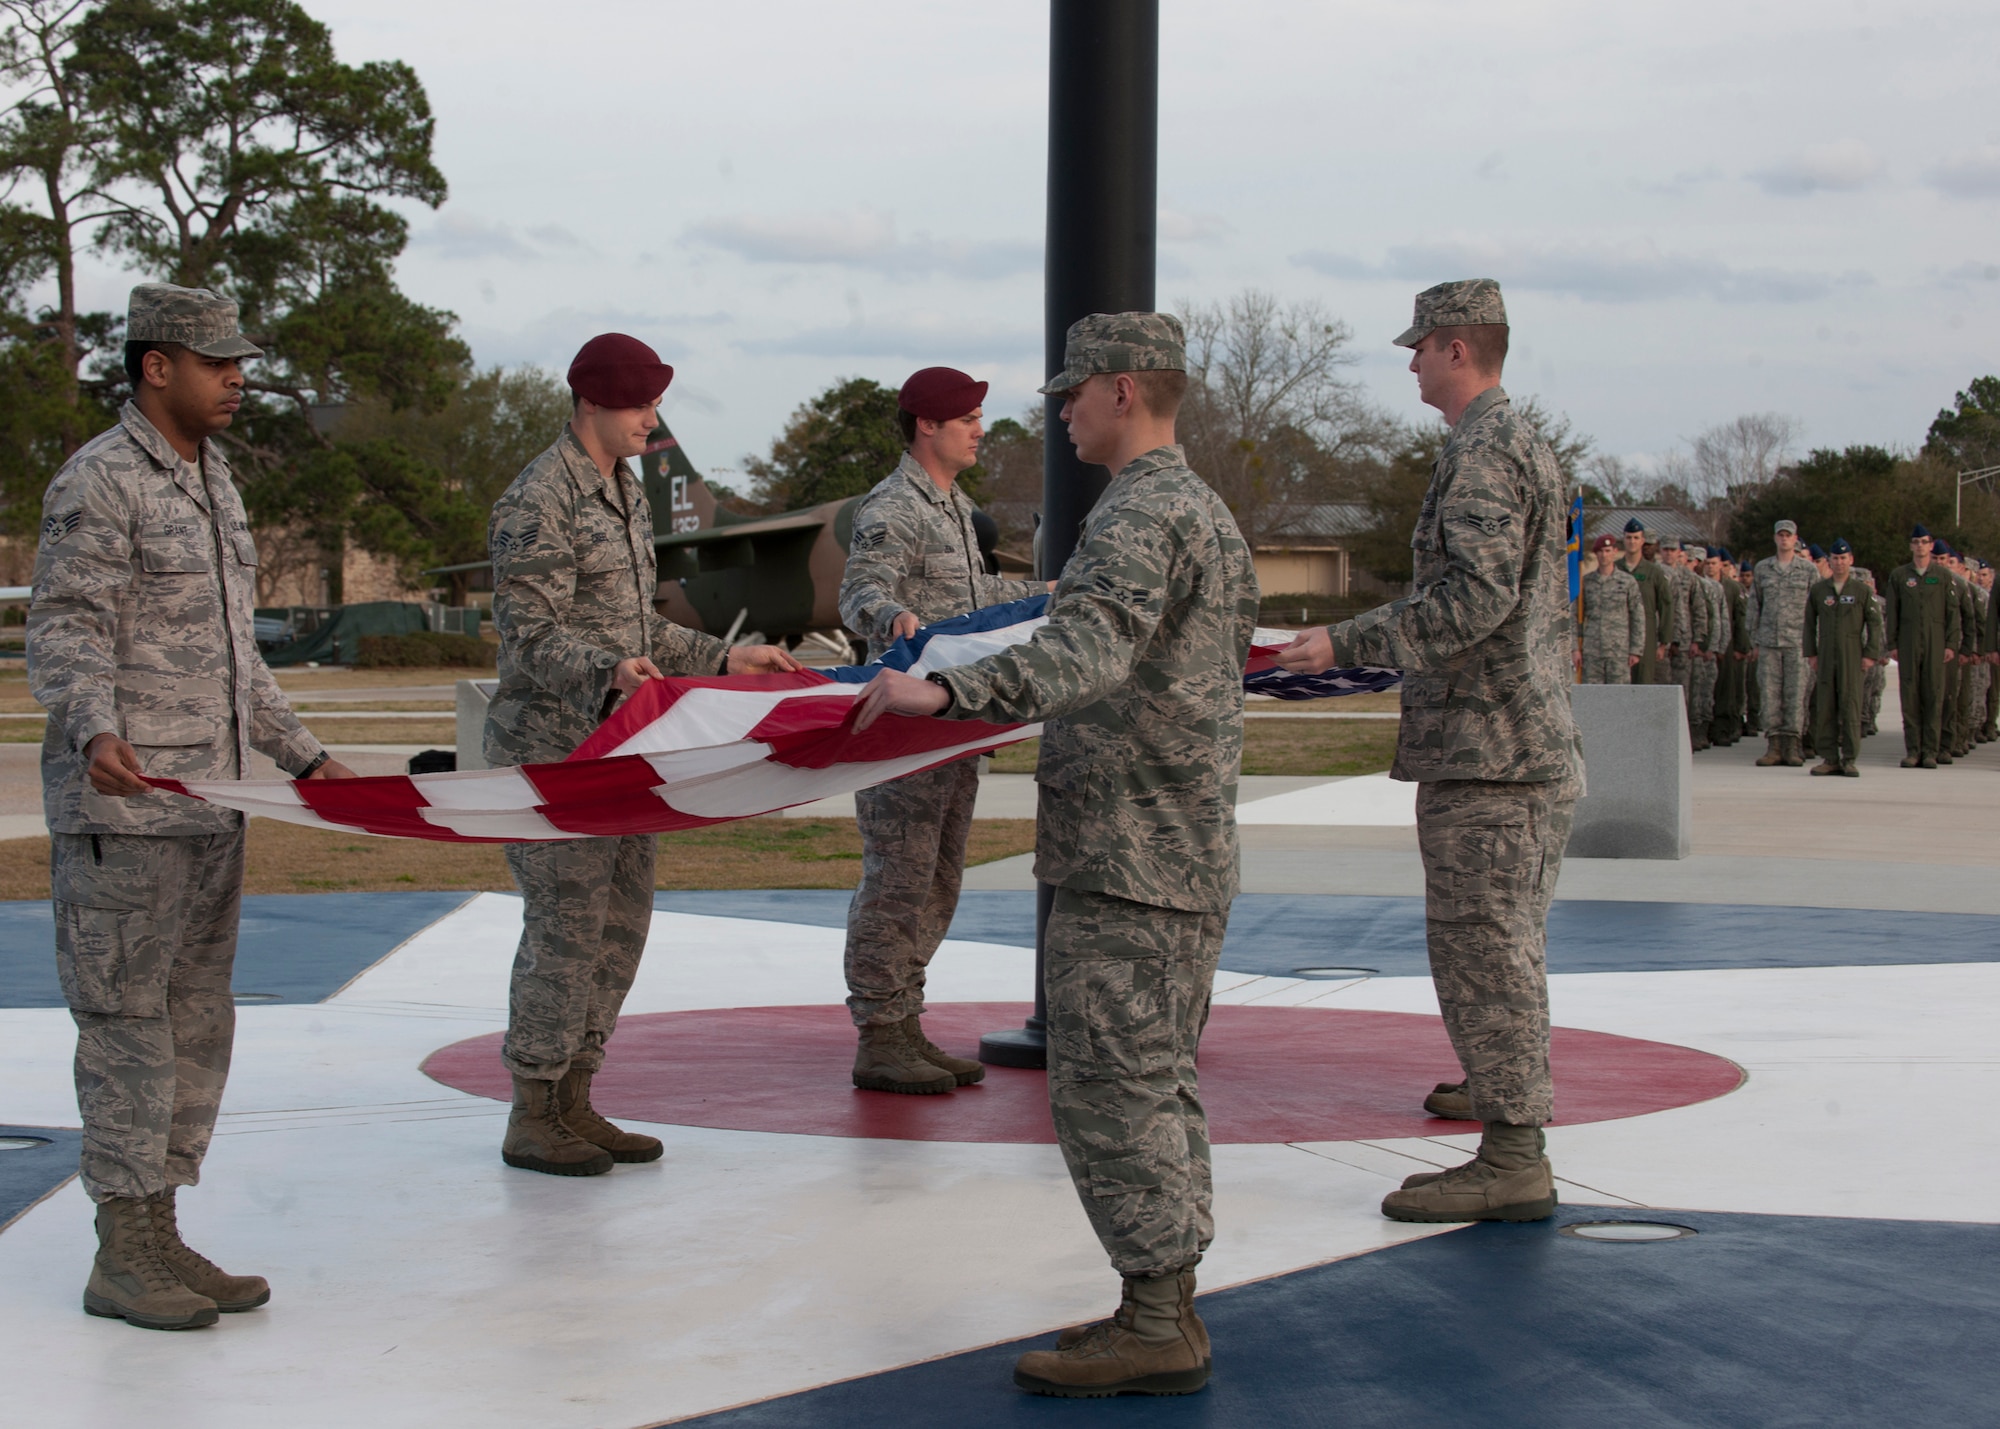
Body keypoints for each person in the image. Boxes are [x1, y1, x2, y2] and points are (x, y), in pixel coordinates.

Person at [853, 311, 1255, 1397]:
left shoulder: (1138, 515)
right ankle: (1158, 1300)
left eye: (1072, 392)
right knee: (1152, 1079)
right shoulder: (1195, 509)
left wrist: (944, 689)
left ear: (1123, 391)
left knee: (1109, 1085)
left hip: (1129, 852)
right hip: (1172, 846)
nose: (1060, 410)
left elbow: (1083, 649)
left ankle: (1158, 1318)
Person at [27, 283, 358, 1331]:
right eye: (216, 362)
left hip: (213, 804)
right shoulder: (100, 482)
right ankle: (121, 1245)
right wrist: (92, 728)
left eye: (240, 362)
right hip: (127, 811)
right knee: (126, 1025)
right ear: (154, 365)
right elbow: (68, 626)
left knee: (193, 1024)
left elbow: (236, 660)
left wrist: (306, 758)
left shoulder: (215, 482)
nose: (238, 379)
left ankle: (161, 1225)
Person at [1273, 279, 1580, 1228]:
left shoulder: (1486, 455)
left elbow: (1474, 600)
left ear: (1457, 347)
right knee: (1502, 940)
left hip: (1491, 750)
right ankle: (1499, 1081)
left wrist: (1345, 641)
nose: (1409, 362)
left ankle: (1514, 1154)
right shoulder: (1517, 441)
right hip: (1510, 739)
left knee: (1484, 945)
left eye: (1419, 347)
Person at [484, 333, 800, 1177]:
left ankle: (576, 1094)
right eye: (639, 405)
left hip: (625, 748)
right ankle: (532, 1107)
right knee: (565, 925)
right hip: (556, 751)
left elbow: (641, 629)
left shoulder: (625, 491)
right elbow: (530, 634)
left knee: (622, 924)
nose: (651, 423)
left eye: (656, 405)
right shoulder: (538, 498)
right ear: (590, 403)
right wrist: (609, 671)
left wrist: (726, 658)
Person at [834, 366, 1044, 1094]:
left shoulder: (953, 505)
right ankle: (880, 1034)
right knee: (898, 880)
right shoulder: (896, 505)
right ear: (928, 424)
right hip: (900, 729)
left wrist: (1045, 593)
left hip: (949, 723)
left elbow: (973, 596)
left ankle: (904, 1020)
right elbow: (860, 586)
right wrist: (886, 616)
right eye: (969, 417)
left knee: (938, 877)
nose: (981, 428)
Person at [1881, 524, 1960, 769]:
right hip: (1908, 642)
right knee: (1910, 696)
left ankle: (1930, 751)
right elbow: (1892, 612)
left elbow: (1952, 613)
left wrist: (1950, 643)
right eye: (1916, 542)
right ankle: (1913, 750)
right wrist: (1892, 643)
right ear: (1911, 546)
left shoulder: (1944, 576)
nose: (1920, 546)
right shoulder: (1900, 576)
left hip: (1936, 643)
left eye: (1924, 542)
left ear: (1930, 544)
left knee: (1934, 696)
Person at [1803, 539, 1882, 777]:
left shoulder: (1862, 591)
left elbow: (1875, 623)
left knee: (1850, 706)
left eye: (1843, 558)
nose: (1839, 562)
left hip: (1852, 654)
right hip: (1826, 654)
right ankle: (1829, 758)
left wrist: (1870, 653)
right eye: (1835, 558)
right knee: (1825, 706)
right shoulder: (1819, 590)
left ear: (1851, 560)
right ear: (1829, 562)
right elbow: (1809, 623)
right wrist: (1812, 653)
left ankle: (1849, 758)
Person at [1748, 520, 1819, 767]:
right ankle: (1774, 745)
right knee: (1769, 695)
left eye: (1788, 535)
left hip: (1798, 642)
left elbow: (1815, 610)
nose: (1784, 539)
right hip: (1768, 642)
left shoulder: (1808, 571)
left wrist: (1814, 645)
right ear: (1775, 538)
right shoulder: (1763, 569)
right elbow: (1755, 605)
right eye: (1781, 535)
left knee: (1796, 695)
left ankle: (1793, 745)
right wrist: (1754, 640)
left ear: (1795, 538)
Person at [1578, 534, 1642, 683]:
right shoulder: (1586, 582)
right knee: (1592, 698)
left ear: (1615, 551)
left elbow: (1637, 616)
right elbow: (1576, 617)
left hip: (1619, 652)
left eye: (1607, 551)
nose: (1604, 555)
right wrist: (1575, 649)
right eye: (1600, 551)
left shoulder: (1627, 582)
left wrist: (1635, 650)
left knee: (1618, 699)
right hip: (1592, 652)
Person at [1616, 519, 1672, 685]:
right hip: (1617, 635)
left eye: (1636, 538)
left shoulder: (1654, 572)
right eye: (1628, 537)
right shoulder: (1615, 569)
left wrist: (1663, 642)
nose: (1632, 542)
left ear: (1642, 541)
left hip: (1646, 637)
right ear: (1623, 539)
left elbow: (1666, 606)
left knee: (1643, 682)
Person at [1711, 549, 1749, 746]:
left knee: (1728, 687)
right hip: (1708, 643)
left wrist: (1741, 647)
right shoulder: (1701, 585)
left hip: (1728, 643)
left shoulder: (1733, 588)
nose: (1712, 567)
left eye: (1718, 564)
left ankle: (1727, 726)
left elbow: (1741, 619)